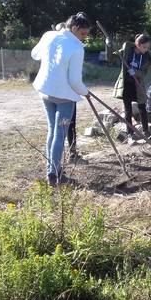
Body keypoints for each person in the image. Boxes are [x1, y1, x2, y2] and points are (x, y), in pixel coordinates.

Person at [31, 12, 90, 186]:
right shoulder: (77, 48)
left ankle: (51, 170)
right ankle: (54, 174)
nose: (84, 38)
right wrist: (85, 92)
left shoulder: (50, 36)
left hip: (45, 91)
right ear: (74, 28)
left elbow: (35, 54)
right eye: (83, 34)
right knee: (59, 135)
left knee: (52, 130)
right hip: (64, 97)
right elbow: (74, 81)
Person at [107, 33, 151, 143]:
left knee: (142, 107)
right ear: (137, 44)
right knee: (128, 110)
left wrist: (136, 72)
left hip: (138, 84)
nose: (146, 50)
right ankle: (130, 134)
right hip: (127, 84)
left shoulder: (147, 57)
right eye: (144, 47)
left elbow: (143, 73)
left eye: (148, 47)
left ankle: (146, 132)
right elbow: (111, 58)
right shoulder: (127, 51)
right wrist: (108, 45)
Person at [54, 22, 80, 162]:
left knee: (71, 123)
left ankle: (72, 152)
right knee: (60, 128)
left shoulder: (69, 48)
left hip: (70, 94)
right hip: (61, 95)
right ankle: (57, 163)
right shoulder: (56, 49)